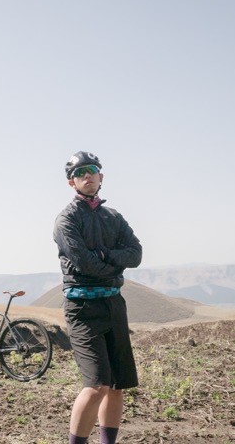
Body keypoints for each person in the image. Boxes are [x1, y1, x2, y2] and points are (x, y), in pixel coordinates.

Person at [52, 151, 143, 444]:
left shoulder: (113, 217)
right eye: (80, 173)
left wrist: (104, 255)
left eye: (92, 170)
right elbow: (84, 263)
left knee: (117, 386)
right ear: (72, 183)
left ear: (101, 176)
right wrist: (116, 260)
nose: (87, 176)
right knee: (96, 386)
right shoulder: (66, 220)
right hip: (83, 308)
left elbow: (137, 254)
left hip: (114, 303)